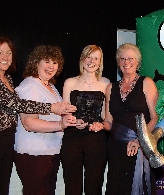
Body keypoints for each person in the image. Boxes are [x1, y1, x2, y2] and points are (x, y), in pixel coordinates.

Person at [0, 36, 76, 195]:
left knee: (1, 188)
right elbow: (18, 105)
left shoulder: (8, 80)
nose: (5, 57)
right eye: (0, 53)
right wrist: (52, 108)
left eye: (9, 53)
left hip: (6, 139)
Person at [14, 45, 76, 195]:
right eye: (46, 61)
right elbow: (29, 123)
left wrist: (70, 120)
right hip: (33, 153)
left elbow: (56, 113)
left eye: (55, 63)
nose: (51, 66)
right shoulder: (30, 86)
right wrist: (60, 124)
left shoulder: (51, 87)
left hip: (50, 151)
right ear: (36, 63)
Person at [103, 43, 158, 195]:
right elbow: (108, 122)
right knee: (117, 187)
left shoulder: (146, 83)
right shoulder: (110, 88)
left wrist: (141, 140)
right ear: (118, 62)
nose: (126, 62)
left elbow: (154, 118)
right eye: (122, 58)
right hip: (116, 148)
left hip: (138, 146)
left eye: (130, 58)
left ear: (137, 62)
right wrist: (98, 125)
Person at [61, 45, 110, 195]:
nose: (91, 61)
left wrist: (100, 125)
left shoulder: (106, 83)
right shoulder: (69, 82)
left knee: (94, 185)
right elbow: (65, 113)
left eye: (96, 58)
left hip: (96, 139)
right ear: (82, 59)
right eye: (89, 56)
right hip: (72, 138)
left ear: (100, 62)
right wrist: (73, 121)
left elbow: (106, 116)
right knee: (72, 185)